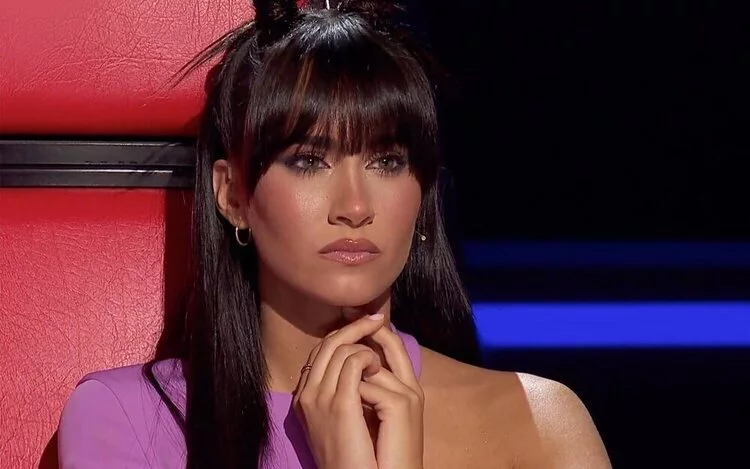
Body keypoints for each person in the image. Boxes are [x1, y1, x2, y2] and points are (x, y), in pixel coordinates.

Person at [58, 1, 611, 467]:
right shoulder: (123, 420)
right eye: (308, 161)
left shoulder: (535, 422)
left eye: (387, 162)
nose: (355, 207)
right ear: (233, 196)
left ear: (422, 194)